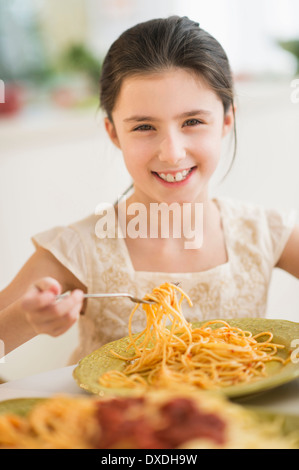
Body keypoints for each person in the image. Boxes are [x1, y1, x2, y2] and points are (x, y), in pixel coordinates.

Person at [0, 16, 298, 365]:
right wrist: (24, 319)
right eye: (144, 126)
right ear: (113, 133)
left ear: (227, 121)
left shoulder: (264, 232)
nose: (172, 152)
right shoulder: (79, 249)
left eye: (192, 122)